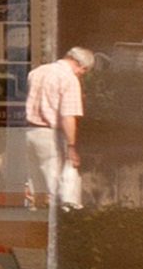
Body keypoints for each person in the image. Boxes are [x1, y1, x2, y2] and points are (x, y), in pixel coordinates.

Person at [19, 43, 96, 208]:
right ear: (81, 66)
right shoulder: (69, 79)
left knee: (35, 184)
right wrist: (72, 146)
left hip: (29, 131)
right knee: (57, 186)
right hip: (50, 135)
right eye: (84, 72)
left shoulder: (36, 72)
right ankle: (59, 221)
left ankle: (36, 221)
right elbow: (68, 116)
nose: (81, 75)